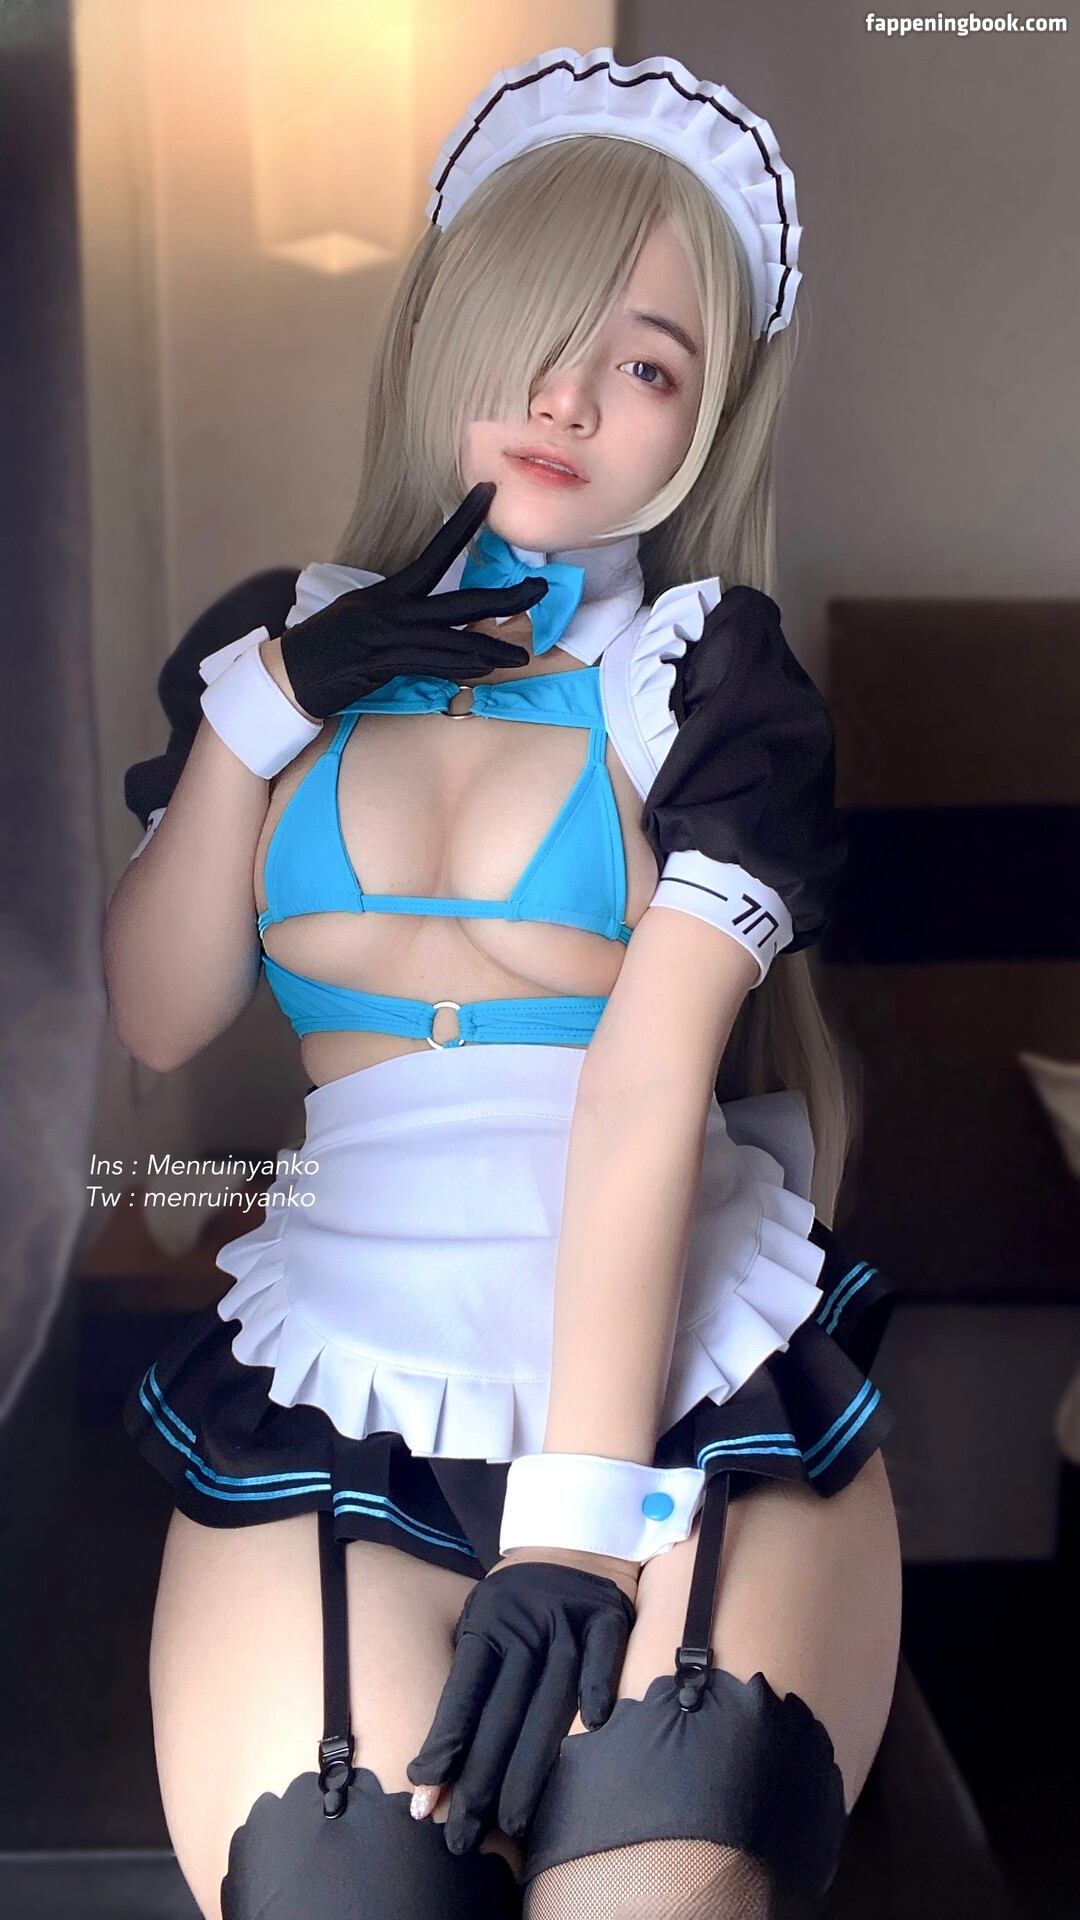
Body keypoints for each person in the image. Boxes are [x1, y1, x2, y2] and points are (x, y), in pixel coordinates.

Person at [105, 46, 902, 1920]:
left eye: (650, 365)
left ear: (708, 419)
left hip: (674, 1372)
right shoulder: (277, 644)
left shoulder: (705, 677)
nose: (570, 396)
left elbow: (645, 1089)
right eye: (540, 326)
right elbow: (158, 1012)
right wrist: (261, 712)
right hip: (348, 1349)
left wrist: (580, 1518)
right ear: (443, 329)